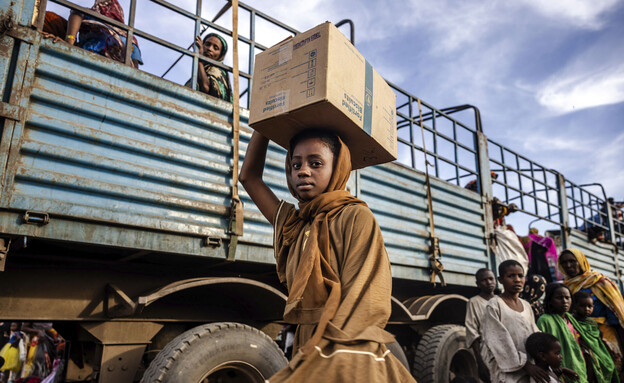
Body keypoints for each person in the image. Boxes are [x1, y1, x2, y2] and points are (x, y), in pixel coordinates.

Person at [239, 129, 415, 382]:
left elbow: (365, 292)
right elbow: (249, 178)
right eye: (296, 164)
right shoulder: (294, 223)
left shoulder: (355, 217)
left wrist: (335, 350)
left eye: (316, 163)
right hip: (306, 339)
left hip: (345, 340)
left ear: (338, 168)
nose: (303, 171)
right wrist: (265, 125)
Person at [559, 248, 624, 373]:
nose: (568, 265)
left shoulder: (600, 282)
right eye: (564, 263)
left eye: (572, 261)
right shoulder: (564, 287)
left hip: (603, 332)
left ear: (581, 261)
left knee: (611, 365)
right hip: (575, 333)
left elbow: (616, 312)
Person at [480, 259, 546, 383]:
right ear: (500, 280)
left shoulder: (526, 305)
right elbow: (498, 340)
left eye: (520, 276)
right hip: (508, 370)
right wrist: (525, 365)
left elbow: (535, 334)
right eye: (511, 276)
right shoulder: (495, 305)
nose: (517, 280)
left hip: (530, 368)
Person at [64, 0, 143, 68]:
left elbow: (76, 14)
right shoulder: (130, 37)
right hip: (115, 71)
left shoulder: (89, 15)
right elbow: (134, 67)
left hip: (89, 58)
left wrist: (69, 42)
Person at [536, 283, 588, 382]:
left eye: (567, 297)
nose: (564, 301)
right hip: (558, 369)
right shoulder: (545, 320)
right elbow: (541, 346)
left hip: (579, 365)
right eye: (559, 298)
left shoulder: (571, 318)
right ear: (550, 300)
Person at [572, 291, 619, 383]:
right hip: (585, 353)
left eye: (590, 306)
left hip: (599, 351)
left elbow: (598, 339)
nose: (587, 309)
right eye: (582, 306)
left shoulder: (592, 322)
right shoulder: (572, 321)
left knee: (609, 365)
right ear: (574, 306)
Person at [465, 268, 497, 383]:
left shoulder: (501, 301)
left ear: (496, 280)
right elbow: (472, 332)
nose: (488, 282)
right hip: (487, 353)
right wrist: (480, 362)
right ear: (478, 284)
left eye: (491, 279)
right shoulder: (474, 302)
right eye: (484, 280)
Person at [188, 33, 233, 102]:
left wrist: (199, 59)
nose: (209, 49)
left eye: (215, 48)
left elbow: (205, 87)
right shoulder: (201, 70)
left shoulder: (218, 71)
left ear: (220, 55)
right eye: (207, 44)